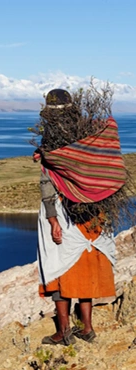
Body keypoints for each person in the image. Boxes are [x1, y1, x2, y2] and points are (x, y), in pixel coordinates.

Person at [34, 88, 127, 346]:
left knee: (58, 266)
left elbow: (48, 183)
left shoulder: (52, 140)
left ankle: (63, 332)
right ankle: (87, 328)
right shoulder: (89, 132)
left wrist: (53, 220)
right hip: (93, 209)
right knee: (84, 264)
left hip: (64, 210)